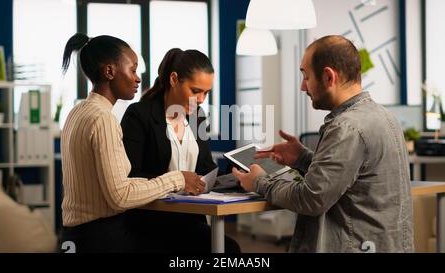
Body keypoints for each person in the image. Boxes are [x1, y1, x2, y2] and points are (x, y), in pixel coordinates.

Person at [233, 35, 414, 253]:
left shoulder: (347, 128)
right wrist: (302, 157)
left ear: (328, 76)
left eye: (306, 76)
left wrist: (259, 182)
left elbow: (311, 199)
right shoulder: (384, 116)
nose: (302, 87)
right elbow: (352, 178)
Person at [60, 34, 205, 253]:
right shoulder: (103, 119)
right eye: (133, 70)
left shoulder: (77, 112)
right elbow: (120, 196)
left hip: (74, 236)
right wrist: (177, 178)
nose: (138, 78)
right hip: (102, 238)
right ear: (109, 71)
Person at [120, 48, 241, 253]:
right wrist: (178, 180)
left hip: (191, 220)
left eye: (206, 92)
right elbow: (131, 175)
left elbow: (205, 169)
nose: (202, 99)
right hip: (150, 223)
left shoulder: (197, 117)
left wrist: (236, 176)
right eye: (195, 91)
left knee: (229, 249)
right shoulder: (139, 115)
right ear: (174, 79)